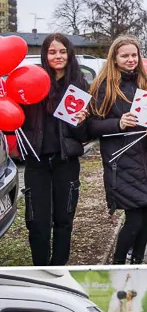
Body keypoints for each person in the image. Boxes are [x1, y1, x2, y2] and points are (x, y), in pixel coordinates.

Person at [88, 35, 147, 265]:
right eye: (125, 56)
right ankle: (118, 264)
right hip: (121, 162)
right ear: (115, 59)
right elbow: (91, 126)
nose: (131, 59)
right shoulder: (105, 87)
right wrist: (118, 123)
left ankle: (137, 262)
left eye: (134, 55)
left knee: (145, 218)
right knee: (134, 220)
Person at [17, 33, 89, 266]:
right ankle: (40, 268)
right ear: (45, 55)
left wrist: (81, 122)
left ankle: (58, 267)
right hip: (36, 162)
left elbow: (86, 135)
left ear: (69, 53)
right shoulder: (32, 79)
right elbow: (17, 119)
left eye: (62, 51)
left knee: (63, 220)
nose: (57, 56)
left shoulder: (79, 83)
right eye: (52, 51)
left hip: (65, 162)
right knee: (37, 222)